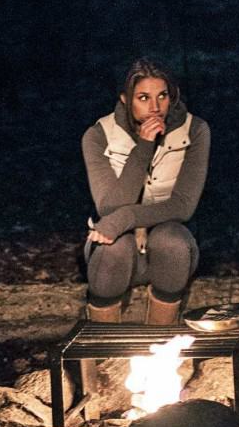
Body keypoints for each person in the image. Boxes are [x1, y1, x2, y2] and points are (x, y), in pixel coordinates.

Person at [82, 58, 210, 324]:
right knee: (113, 247)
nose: (155, 107)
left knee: (171, 241)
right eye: (143, 97)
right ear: (125, 99)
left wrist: (124, 218)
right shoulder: (98, 136)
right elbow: (109, 208)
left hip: (169, 245)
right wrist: (144, 146)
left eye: (162, 96)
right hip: (116, 248)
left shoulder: (195, 130)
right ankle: (102, 343)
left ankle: (160, 340)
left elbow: (183, 206)